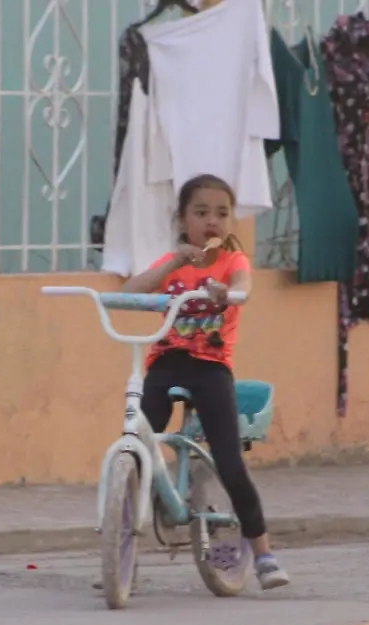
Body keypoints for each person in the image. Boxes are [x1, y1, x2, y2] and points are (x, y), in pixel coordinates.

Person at [121, 173, 291, 590]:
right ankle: (121, 548)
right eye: (200, 213)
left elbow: (244, 288)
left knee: (230, 462)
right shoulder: (172, 263)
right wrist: (177, 262)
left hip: (211, 367)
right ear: (183, 220)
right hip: (166, 361)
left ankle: (263, 551)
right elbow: (132, 290)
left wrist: (227, 293)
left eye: (221, 213)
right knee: (138, 443)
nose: (211, 221)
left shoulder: (232, 262)